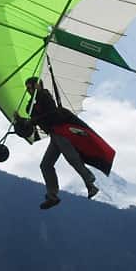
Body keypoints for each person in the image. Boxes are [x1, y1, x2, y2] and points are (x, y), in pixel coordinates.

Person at [17, 76, 99, 209]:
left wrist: (32, 119)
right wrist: (20, 120)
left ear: (37, 86)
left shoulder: (45, 97)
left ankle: (90, 184)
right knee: (45, 165)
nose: (28, 90)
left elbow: (49, 114)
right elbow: (32, 117)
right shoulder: (34, 102)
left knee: (72, 158)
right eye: (27, 89)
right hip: (54, 136)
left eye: (30, 87)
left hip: (61, 133)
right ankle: (52, 195)